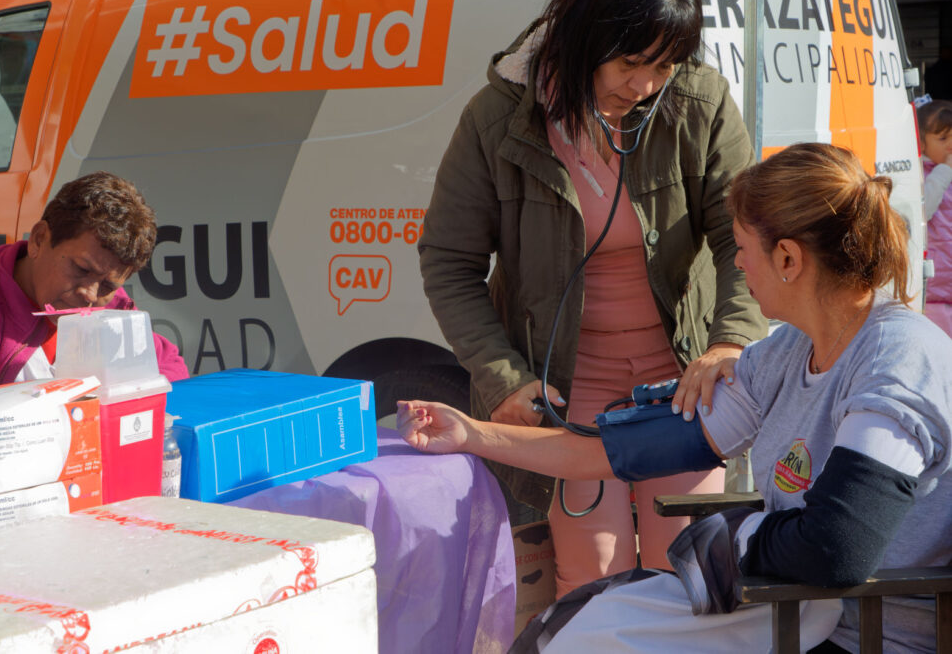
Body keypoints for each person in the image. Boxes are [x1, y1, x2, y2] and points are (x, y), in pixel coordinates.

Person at [402, 143, 952, 653]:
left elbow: (837, 549)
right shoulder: (788, 353)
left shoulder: (897, 361)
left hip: (866, 634)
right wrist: (474, 435)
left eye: (741, 249)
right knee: (569, 625)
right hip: (784, 611)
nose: (738, 266)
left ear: (787, 258)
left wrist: (739, 534)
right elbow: (619, 453)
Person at [417, 0, 766, 597]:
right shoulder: (498, 118)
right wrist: (501, 378)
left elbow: (741, 232)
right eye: (631, 62)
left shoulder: (700, 101)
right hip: (567, 400)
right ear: (586, 34)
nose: (645, 86)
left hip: (683, 392)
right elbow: (448, 261)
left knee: (692, 580)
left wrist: (728, 342)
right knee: (591, 580)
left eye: (665, 67)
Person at [0, 171, 189, 405]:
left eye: (107, 285)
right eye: (81, 269)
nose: (88, 294)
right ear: (39, 239)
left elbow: (171, 371)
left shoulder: (109, 305)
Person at [919, 98, 952, 337]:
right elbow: (924, 210)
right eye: (942, 139)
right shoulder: (922, 175)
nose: (950, 145)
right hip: (935, 292)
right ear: (921, 142)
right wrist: (943, 172)